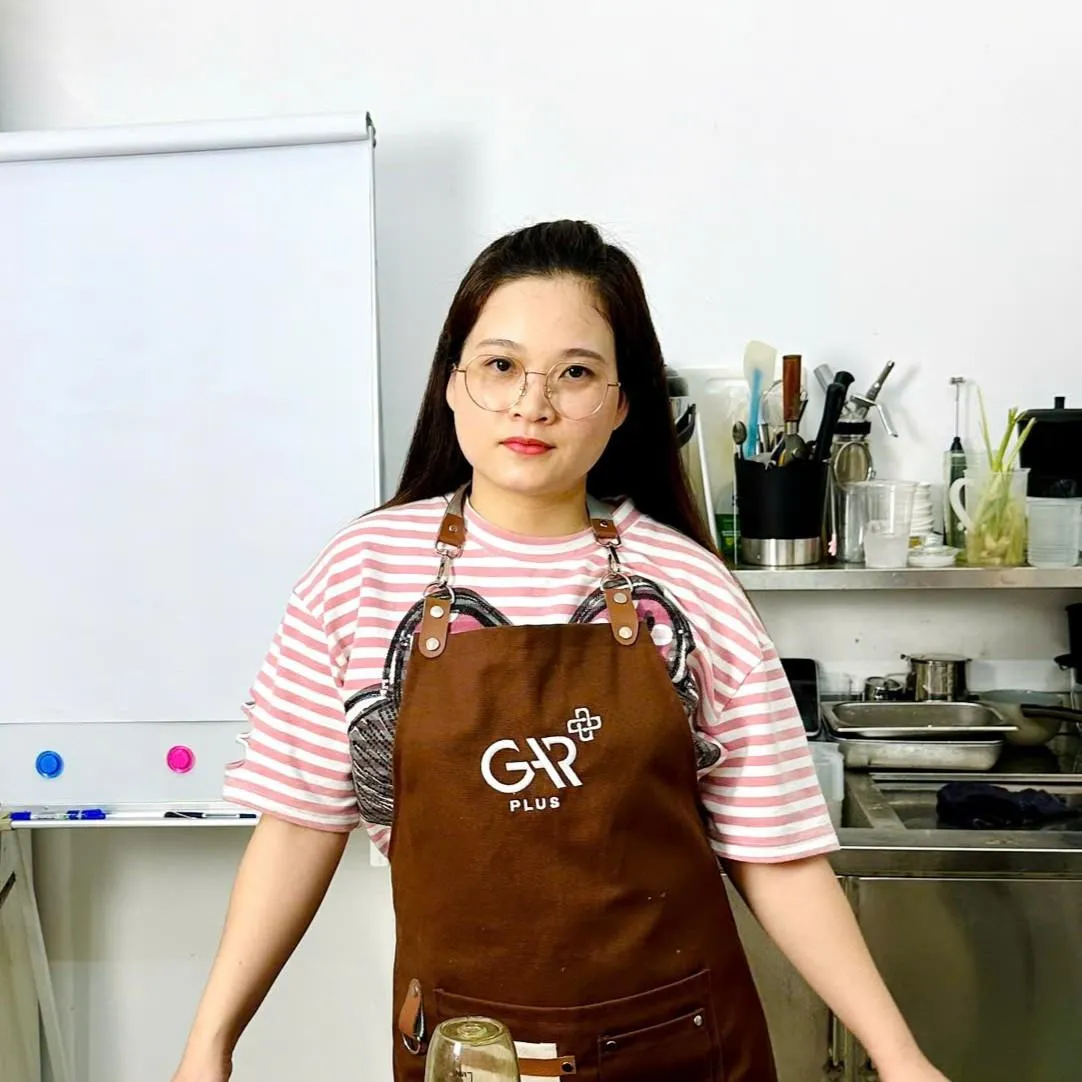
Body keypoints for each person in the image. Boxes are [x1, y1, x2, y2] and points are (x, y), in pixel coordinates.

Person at [171, 220, 948, 1082]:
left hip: (679, 1049)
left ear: (621, 403)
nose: (531, 405)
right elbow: (297, 827)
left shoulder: (687, 585)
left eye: (574, 373)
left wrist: (898, 1055)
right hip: (468, 1054)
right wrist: (210, 1043)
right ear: (453, 384)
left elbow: (777, 853)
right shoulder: (363, 573)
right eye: (501, 365)